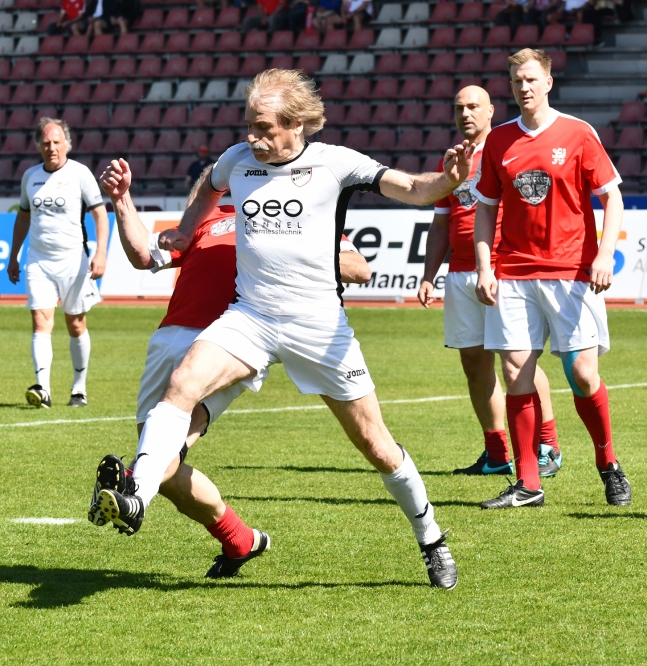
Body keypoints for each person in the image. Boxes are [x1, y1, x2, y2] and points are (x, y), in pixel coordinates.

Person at [94, 68, 476, 590]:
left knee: (377, 445)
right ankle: (137, 494)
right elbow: (212, 181)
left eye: (265, 128)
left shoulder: (335, 162)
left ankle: (431, 536)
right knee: (183, 383)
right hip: (250, 317)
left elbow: (410, 188)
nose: (253, 138)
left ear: (297, 125)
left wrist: (448, 182)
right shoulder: (239, 159)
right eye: (249, 125)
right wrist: (187, 228)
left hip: (318, 327)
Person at [90, 158, 373, 577]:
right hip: (168, 338)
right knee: (163, 469)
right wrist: (122, 199)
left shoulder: (290, 220)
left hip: (232, 344)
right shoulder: (204, 222)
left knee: (161, 456)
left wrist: (284, 248)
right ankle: (240, 539)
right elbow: (141, 256)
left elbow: (359, 269)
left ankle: (129, 490)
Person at [471, 49, 630, 509]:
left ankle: (608, 462)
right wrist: (485, 266)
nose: (524, 87)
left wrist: (604, 255)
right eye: (516, 80)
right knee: (516, 371)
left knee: (582, 374)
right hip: (514, 273)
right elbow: (485, 209)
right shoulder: (499, 141)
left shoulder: (578, 133)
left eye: (531, 79)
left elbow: (611, 197)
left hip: (571, 273)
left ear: (548, 82)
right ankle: (528, 483)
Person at [418, 86, 562, 478]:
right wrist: (430, 274)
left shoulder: (505, 148)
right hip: (460, 274)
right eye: (458, 107)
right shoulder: (451, 159)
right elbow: (442, 221)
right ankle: (497, 454)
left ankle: (547, 444)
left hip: (501, 269)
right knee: (473, 363)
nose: (465, 114)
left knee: (518, 358)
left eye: (473, 107)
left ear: (491, 111)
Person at [8, 118, 110, 409]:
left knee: (76, 324)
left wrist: (100, 252)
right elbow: (24, 215)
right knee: (40, 321)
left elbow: (100, 214)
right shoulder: (30, 176)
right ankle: (43, 388)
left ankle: (79, 389)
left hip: (73, 260)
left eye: (56, 142)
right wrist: (14, 254)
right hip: (38, 260)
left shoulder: (80, 174)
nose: (51, 148)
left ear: (67, 143)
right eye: (45, 143)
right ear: (38, 145)